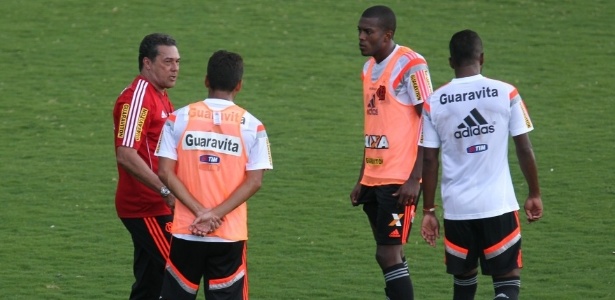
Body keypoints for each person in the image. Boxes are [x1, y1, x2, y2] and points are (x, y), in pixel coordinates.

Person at [419, 29, 543, 300]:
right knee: (507, 278)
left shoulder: (433, 102)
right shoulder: (507, 93)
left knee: (463, 282)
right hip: (498, 205)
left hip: (457, 209)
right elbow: (524, 147)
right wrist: (534, 193)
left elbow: (429, 160)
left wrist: (428, 210)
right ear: (482, 58)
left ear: (451, 61)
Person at [156, 50, 273, 300]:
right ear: (239, 85)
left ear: (206, 80)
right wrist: (214, 215)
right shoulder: (254, 126)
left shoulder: (177, 118)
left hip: (186, 231)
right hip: (228, 234)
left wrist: (199, 212)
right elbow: (255, 182)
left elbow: (164, 172)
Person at [349, 5, 433, 300]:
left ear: (387, 35)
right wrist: (363, 177)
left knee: (388, 253)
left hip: (400, 179)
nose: (360, 37)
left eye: (367, 32)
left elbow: (430, 119)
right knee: (387, 254)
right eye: (359, 30)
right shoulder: (368, 68)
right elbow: (374, 125)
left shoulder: (411, 65)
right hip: (375, 177)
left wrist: (416, 177)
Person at [112, 32, 180, 300]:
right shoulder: (137, 99)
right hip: (146, 206)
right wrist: (166, 191)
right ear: (147, 63)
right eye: (167, 62)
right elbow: (126, 154)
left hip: (156, 203)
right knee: (178, 272)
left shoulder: (160, 95)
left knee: (151, 282)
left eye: (177, 62)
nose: (175, 68)